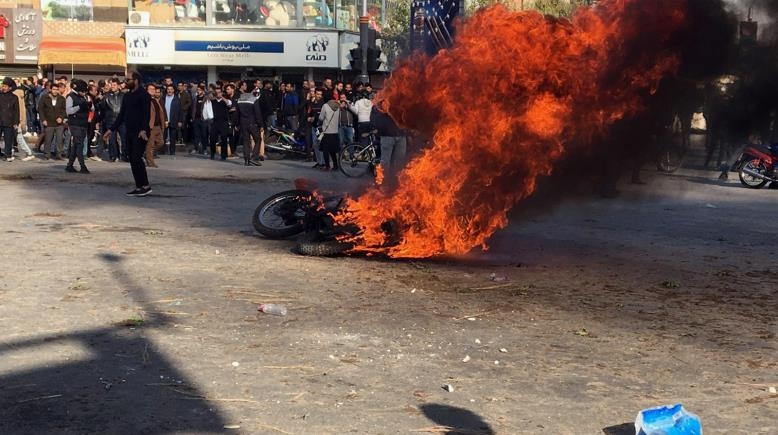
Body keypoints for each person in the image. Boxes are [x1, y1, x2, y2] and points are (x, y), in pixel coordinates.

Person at [104, 71, 152, 197]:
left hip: (140, 132)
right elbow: (121, 115)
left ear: (136, 81)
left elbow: (146, 114)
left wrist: (144, 129)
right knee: (132, 159)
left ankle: (145, 186)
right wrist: (111, 129)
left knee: (136, 157)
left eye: (128, 80)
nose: (125, 82)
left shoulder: (144, 95)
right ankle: (139, 186)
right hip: (129, 131)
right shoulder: (127, 96)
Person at [64, 79, 92, 173]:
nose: (84, 93)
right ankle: (82, 166)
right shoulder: (70, 97)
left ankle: (69, 165)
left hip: (83, 123)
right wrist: (79, 107)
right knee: (80, 145)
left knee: (76, 145)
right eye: (83, 91)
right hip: (74, 124)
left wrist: (89, 105)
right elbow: (68, 111)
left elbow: (92, 108)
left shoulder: (85, 97)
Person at [236, 80, 264, 166]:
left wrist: (237, 124)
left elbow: (237, 113)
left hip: (242, 123)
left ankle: (246, 160)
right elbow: (258, 113)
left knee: (246, 141)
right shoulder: (253, 99)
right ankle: (254, 158)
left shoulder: (240, 99)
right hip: (252, 123)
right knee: (258, 139)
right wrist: (261, 124)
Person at [38, 82, 67, 160]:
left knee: (59, 139)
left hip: (59, 123)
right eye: (54, 89)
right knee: (48, 139)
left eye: (57, 89)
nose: (55, 91)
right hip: (48, 121)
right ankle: (47, 154)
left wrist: (61, 117)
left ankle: (59, 154)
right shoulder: (44, 97)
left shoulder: (61, 98)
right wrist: (43, 119)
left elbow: (64, 110)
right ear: (50, 89)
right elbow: (40, 109)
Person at [99, 78, 124, 161]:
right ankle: (113, 155)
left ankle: (125, 155)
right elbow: (102, 109)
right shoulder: (106, 96)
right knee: (112, 139)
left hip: (122, 120)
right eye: (111, 85)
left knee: (124, 138)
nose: (112, 86)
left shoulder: (124, 95)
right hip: (110, 120)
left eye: (114, 85)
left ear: (119, 86)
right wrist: (101, 120)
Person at [145, 84, 166, 167]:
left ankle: (146, 153)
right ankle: (150, 162)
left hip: (158, 126)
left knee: (161, 143)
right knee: (150, 145)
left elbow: (161, 113)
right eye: (150, 89)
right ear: (147, 90)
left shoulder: (155, 100)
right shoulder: (145, 100)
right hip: (151, 126)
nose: (152, 90)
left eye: (153, 89)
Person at [0, 77, 21, 161]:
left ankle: (8, 155)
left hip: (9, 121)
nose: (3, 88)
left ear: (10, 87)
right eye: (3, 86)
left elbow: (16, 111)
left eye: (5, 86)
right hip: (0, 120)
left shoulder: (14, 97)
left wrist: (16, 122)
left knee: (8, 139)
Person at [318, 96, 341, 171]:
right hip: (335, 131)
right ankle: (335, 165)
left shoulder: (325, 106)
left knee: (325, 150)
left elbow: (321, 118)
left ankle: (327, 166)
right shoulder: (338, 106)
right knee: (332, 150)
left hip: (327, 131)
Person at [210, 86, 232, 160]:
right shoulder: (212, 101)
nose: (218, 94)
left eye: (219, 92)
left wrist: (222, 97)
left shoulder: (226, 100)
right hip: (215, 122)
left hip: (223, 122)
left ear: (222, 93)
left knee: (224, 139)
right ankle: (212, 154)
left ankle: (223, 155)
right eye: (216, 93)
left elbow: (229, 104)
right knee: (212, 138)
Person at [163, 84, 183, 155]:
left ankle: (172, 151)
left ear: (173, 90)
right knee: (163, 137)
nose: (169, 91)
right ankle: (162, 151)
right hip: (165, 120)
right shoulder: (163, 98)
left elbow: (180, 111)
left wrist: (180, 121)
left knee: (173, 137)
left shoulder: (177, 99)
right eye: (168, 89)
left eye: (171, 89)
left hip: (173, 120)